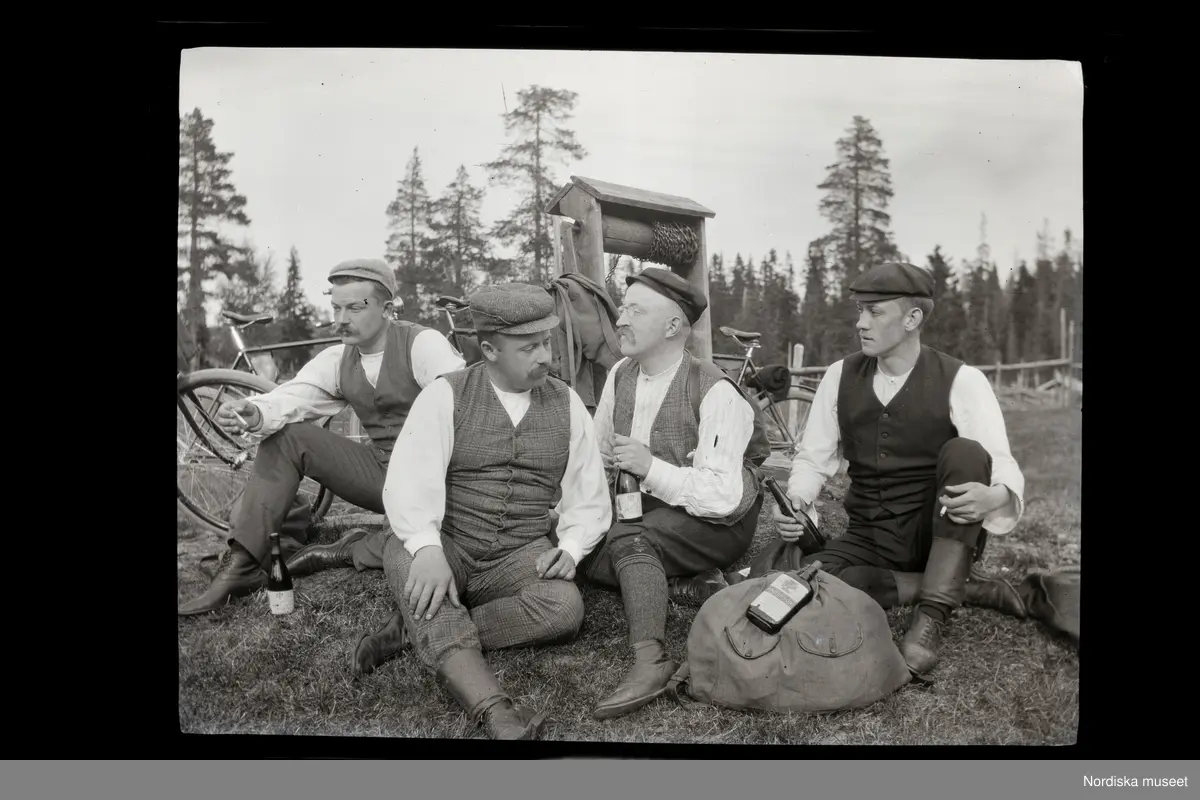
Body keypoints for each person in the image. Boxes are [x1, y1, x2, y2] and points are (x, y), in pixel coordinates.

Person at [351, 283, 611, 741]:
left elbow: (588, 494)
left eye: (546, 342)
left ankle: (419, 631)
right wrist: (426, 549)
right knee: (410, 563)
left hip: (519, 552)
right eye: (528, 348)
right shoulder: (445, 394)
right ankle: (498, 714)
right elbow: (409, 482)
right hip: (447, 543)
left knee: (564, 609)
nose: (545, 357)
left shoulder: (567, 403)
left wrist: (571, 547)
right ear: (489, 349)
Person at [760, 261, 1027, 676]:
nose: (861, 323)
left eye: (875, 312)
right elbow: (813, 459)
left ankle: (931, 614)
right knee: (805, 578)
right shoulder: (839, 376)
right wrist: (798, 498)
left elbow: (1000, 461)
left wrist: (993, 496)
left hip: (938, 531)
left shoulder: (963, 380)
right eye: (859, 311)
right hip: (869, 533)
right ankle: (962, 585)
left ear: (912, 319)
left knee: (966, 452)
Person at [178, 258, 466, 616]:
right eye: (336, 308)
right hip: (382, 474)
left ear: (387, 308)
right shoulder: (337, 359)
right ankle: (243, 565)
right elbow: (293, 396)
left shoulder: (423, 345)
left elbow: (465, 411)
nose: (341, 319)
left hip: (439, 478)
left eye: (355, 308)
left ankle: (350, 548)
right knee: (288, 437)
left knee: (444, 542)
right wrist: (256, 411)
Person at [578, 267, 766, 721]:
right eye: (623, 308)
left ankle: (651, 660)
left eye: (635, 311)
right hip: (646, 508)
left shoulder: (715, 391)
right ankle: (685, 583)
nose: (620, 319)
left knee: (628, 541)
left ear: (672, 327)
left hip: (716, 520)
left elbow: (722, 496)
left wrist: (650, 467)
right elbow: (597, 455)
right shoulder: (621, 373)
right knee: (577, 545)